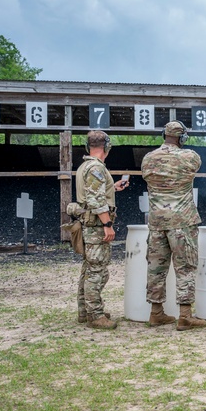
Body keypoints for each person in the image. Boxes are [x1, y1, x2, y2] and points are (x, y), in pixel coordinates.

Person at [143, 121, 206, 330]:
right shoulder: (190, 157)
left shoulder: (148, 159)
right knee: (185, 267)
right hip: (182, 222)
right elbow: (194, 167)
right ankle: (185, 315)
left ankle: (156, 313)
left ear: (164, 135)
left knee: (156, 269)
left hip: (156, 222)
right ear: (182, 138)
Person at [75, 130, 128, 330]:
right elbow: (95, 199)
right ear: (106, 147)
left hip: (89, 225)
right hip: (96, 226)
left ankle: (85, 311)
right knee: (97, 271)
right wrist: (107, 224)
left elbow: (94, 193)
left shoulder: (85, 166)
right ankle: (95, 315)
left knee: (88, 270)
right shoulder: (96, 167)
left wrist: (112, 188)